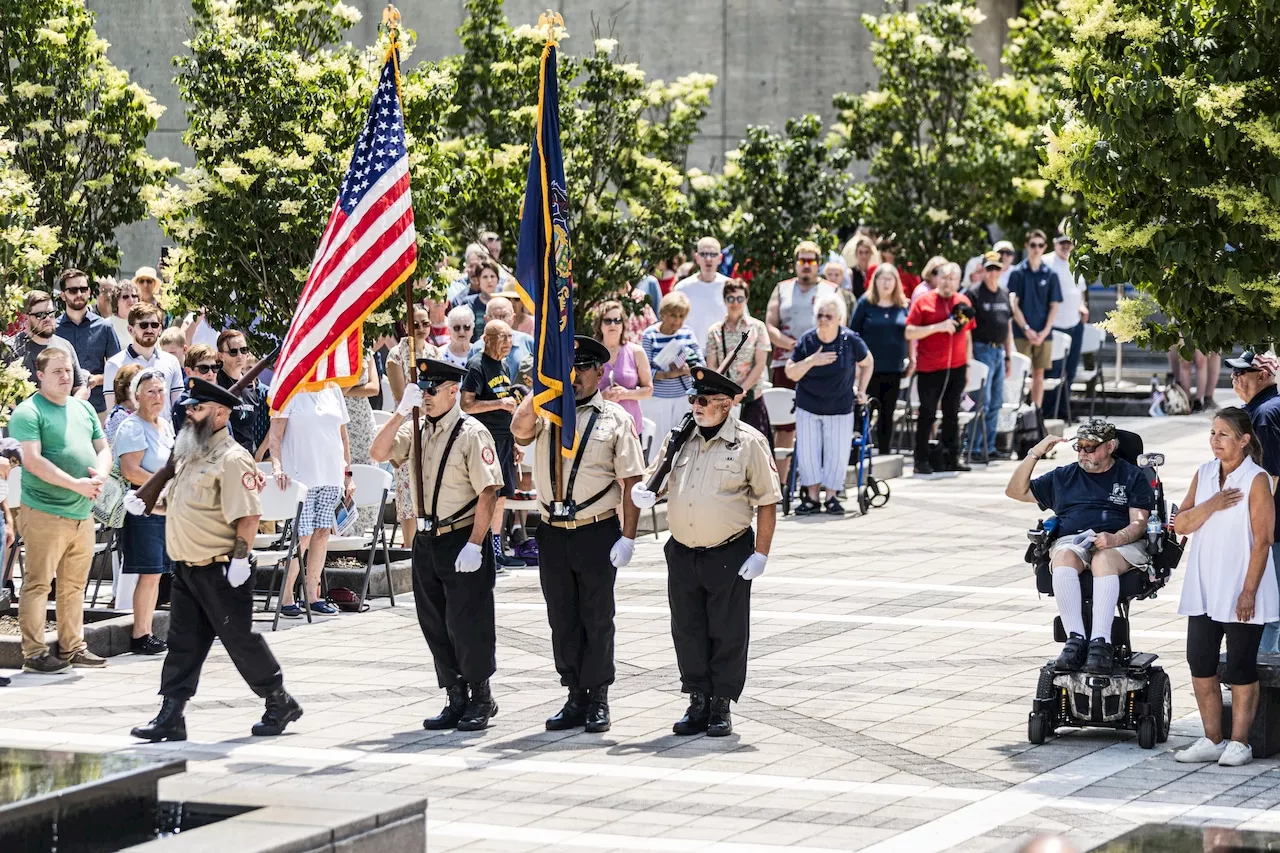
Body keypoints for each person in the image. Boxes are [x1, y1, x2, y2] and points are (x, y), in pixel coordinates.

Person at [129, 377, 302, 742]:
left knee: (240, 641)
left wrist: (240, 560)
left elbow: (248, 516)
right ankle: (171, 714)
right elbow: (184, 507)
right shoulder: (190, 453)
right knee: (183, 644)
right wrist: (146, 505)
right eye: (190, 407)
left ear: (221, 413)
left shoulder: (232, 459)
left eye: (198, 408)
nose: (189, 413)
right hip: (188, 569)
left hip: (222, 568)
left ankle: (278, 700)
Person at [631, 365, 780, 737]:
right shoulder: (681, 437)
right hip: (682, 551)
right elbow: (658, 477)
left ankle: (720, 705)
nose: (696, 406)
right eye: (694, 399)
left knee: (726, 631)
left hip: (726, 551)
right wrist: (646, 492)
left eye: (705, 401)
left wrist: (761, 554)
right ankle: (697, 698)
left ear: (726, 404)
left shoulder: (748, 442)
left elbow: (767, 501)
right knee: (688, 629)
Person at [512, 337, 646, 733]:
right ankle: (574, 694)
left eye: (583, 365)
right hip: (553, 530)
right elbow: (519, 430)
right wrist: (541, 386)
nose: (575, 373)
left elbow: (631, 480)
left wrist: (629, 537)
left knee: (597, 617)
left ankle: (599, 696)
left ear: (600, 371)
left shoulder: (615, 419)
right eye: (568, 364)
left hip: (595, 530)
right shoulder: (547, 412)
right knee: (563, 617)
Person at [369, 359, 503, 731]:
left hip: (462, 536)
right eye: (422, 389)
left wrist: (476, 543)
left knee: (468, 622)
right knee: (434, 622)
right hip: (427, 539)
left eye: (432, 390)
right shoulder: (416, 428)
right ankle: (455, 696)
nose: (425, 397)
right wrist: (399, 412)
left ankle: (481, 696)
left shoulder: (471, 433)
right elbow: (378, 453)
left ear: (452, 391)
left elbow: (489, 491)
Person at [1005, 420, 1156, 674]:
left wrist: (1115, 538)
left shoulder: (1131, 476)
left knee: (1102, 560)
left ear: (1110, 446)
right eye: (1080, 447)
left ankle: (1101, 642)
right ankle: (1075, 640)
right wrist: (1035, 453)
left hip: (1119, 541)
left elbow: (1139, 524)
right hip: (1074, 540)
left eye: (1091, 448)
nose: (1083, 453)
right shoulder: (1064, 476)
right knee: (1064, 556)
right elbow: (1014, 491)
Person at [1174, 408, 1278, 767]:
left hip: (1241, 587)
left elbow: (1263, 541)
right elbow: (1181, 524)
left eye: (1223, 434)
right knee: (1199, 661)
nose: (1214, 440)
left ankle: (1240, 742)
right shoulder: (1203, 473)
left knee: (1240, 666)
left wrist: (1248, 592)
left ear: (1244, 440)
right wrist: (1213, 503)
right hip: (1204, 586)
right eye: (1213, 433)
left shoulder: (1257, 479)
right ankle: (1211, 739)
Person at [9, 347, 110, 674]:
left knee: (73, 585)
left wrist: (102, 474)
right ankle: (34, 653)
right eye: (57, 372)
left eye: (68, 370)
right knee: (38, 584)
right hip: (44, 510)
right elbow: (34, 462)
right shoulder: (28, 412)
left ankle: (72, 646)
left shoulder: (83, 408)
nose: (66, 377)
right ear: (40, 375)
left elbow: (103, 447)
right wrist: (76, 484)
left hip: (83, 513)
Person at [268, 382, 352, 617]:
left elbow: (343, 436)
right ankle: (286, 598)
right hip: (300, 477)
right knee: (302, 536)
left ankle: (313, 596)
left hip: (331, 474)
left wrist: (348, 475)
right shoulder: (291, 389)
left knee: (323, 533)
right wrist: (277, 467)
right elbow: (275, 434)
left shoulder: (334, 389)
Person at [786, 292, 873, 514]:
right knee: (807, 453)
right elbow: (791, 372)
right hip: (808, 405)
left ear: (839, 319)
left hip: (840, 406)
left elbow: (868, 363)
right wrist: (811, 361)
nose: (823, 319)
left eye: (829, 316)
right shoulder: (807, 340)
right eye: (820, 315)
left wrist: (861, 391)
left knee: (837, 452)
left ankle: (832, 496)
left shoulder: (850, 340)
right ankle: (812, 497)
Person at [765, 241, 837, 484]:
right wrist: (794, 345)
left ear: (819, 263)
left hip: (822, 364)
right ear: (795, 263)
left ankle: (816, 483)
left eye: (812, 261)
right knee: (785, 425)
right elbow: (770, 325)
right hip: (786, 362)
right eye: (802, 261)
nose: (807, 266)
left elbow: (839, 325)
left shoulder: (831, 290)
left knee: (821, 424)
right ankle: (781, 486)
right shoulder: (782, 288)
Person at [115, 368, 175, 655]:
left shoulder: (165, 425)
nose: (157, 396)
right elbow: (130, 470)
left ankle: (149, 630)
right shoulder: (132, 426)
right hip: (143, 510)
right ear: (136, 394)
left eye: (161, 390)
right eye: (150, 391)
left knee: (160, 573)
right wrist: (162, 485)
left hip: (167, 510)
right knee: (149, 573)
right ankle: (141, 634)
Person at [1225, 349, 1280, 654]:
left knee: (1268, 604)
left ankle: (1263, 675)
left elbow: (1269, 476)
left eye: (1241, 373)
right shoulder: (1265, 409)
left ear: (1262, 375)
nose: (1234, 378)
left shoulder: (1264, 414)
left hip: (1272, 527)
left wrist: (1253, 525)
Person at [462, 320, 522, 570]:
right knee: (487, 493)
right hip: (484, 439)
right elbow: (466, 405)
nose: (508, 343)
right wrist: (498, 404)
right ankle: (482, 546)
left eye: (510, 337)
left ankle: (497, 549)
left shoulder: (505, 365)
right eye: (502, 337)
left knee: (502, 496)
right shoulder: (476, 366)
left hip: (505, 437)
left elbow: (508, 404)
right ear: (486, 339)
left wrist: (516, 441)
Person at [906, 261, 974, 475]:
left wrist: (969, 365)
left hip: (957, 367)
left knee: (952, 413)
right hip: (929, 368)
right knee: (927, 413)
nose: (948, 282)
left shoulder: (963, 301)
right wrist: (937, 327)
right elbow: (909, 332)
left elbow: (968, 334)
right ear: (937, 278)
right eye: (944, 277)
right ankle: (921, 458)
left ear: (958, 281)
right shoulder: (924, 301)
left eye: (953, 278)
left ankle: (951, 457)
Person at [851, 264, 912, 456]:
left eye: (890, 279)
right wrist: (855, 366)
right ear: (874, 281)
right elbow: (853, 334)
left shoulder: (903, 306)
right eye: (882, 279)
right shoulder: (865, 303)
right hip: (868, 369)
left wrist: (912, 358)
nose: (886, 283)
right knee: (865, 411)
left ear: (896, 283)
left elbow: (909, 334)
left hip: (893, 367)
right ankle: (861, 451)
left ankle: (885, 452)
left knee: (888, 411)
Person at [705, 279, 772, 443]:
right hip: (722, 398)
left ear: (746, 300)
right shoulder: (715, 330)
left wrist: (741, 391)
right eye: (731, 299)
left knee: (756, 448)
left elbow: (760, 364)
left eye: (740, 299)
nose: (736, 303)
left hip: (751, 398)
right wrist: (725, 392)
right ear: (725, 300)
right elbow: (712, 365)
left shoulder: (757, 327)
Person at [965, 251, 1015, 463]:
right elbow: (966, 328)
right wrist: (969, 359)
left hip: (998, 351)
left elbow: (1008, 326)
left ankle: (989, 446)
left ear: (1001, 269)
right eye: (989, 269)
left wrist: (1009, 356)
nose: (993, 272)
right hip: (981, 349)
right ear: (983, 270)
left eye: (996, 268)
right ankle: (974, 447)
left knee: (995, 402)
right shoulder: (973, 293)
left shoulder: (1004, 293)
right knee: (980, 402)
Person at [55, 269, 120, 420]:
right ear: (63, 295)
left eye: (83, 289)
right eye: (73, 290)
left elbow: (118, 371)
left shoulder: (104, 327)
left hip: (97, 408)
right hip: (60, 409)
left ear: (89, 292)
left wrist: (96, 379)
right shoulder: (53, 330)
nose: (79, 294)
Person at [1007, 230, 1062, 409]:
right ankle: (1018, 412)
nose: (1036, 249)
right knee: (1019, 374)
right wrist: (1027, 329)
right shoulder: (1017, 273)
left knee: (1039, 375)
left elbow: (1054, 305)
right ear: (1026, 246)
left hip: (1043, 333)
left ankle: (1036, 414)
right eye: (1033, 245)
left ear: (1045, 247)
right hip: (1022, 333)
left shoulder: (1051, 274)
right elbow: (1014, 304)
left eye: (1040, 245)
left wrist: (1045, 331)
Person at [640, 291, 702, 445]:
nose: (677, 321)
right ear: (663, 314)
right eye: (674, 315)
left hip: (683, 398)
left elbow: (701, 364)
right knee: (657, 446)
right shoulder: (649, 335)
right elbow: (645, 372)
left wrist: (689, 369)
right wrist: (671, 374)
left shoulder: (687, 333)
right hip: (657, 400)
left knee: (682, 444)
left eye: (682, 316)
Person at [7, 291, 89, 398]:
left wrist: (70, 408)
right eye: (40, 315)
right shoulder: (12, 349)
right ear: (26, 318)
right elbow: (8, 397)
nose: (47, 319)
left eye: (50, 313)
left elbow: (80, 386)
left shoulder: (65, 345)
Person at [103, 303, 184, 410]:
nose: (149, 330)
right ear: (131, 330)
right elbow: (113, 411)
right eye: (143, 325)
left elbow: (178, 408)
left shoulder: (171, 361)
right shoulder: (114, 364)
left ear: (160, 329)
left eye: (154, 325)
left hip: (165, 426)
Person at [1045, 234, 1089, 421]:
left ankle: (1064, 411)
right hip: (1054, 325)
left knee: (1070, 371)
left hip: (1074, 324)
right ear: (1055, 243)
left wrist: (1082, 306)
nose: (1065, 246)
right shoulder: (1045, 262)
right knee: (1052, 371)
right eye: (1061, 243)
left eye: (1068, 243)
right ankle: (1048, 412)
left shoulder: (1076, 262)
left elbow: (1080, 291)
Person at [595, 300, 653, 437]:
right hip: (599, 426)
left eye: (617, 320)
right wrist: (602, 396)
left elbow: (649, 390)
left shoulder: (636, 352)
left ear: (623, 324)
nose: (613, 324)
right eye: (608, 321)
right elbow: (581, 393)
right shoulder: (593, 354)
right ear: (600, 325)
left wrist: (626, 394)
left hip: (630, 428)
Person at [216, 330, 269, 458]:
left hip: (247, 458)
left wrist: (261, 452)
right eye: (233, 352)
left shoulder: (253, 385)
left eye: (244, 350)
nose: (240, 355)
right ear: (221, 356)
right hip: (222, 460)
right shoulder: (215, 382)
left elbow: (277, 419)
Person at [673, 236, 729, 350]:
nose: (708, 259)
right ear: (697, 257)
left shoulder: (730, 286)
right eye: (703, 254)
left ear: (720, 258)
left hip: (723, 353)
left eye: (713, 254)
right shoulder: (682, 288)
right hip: (691, 353)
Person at [468, 296, 535, 380]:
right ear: (486, 319)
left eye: (504, 316)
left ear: (513, 318)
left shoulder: (527, 342)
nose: (500, 320)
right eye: (495, 316)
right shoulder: (478, 347)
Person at [454, 258, 503, 342]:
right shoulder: (468, 303)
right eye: (485, 277)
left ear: (498, 279)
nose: (489, 280)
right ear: (478, 280)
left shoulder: (504, 303)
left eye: (492, 276)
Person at [106, 364, 143, 445]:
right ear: (123, 387)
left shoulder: (144, 412)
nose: (140, 388)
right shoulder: (118, 416)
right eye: (135, 384)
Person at [840, 233, 876, 299]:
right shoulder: (851, 273)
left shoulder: (875, 272)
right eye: (861, 252)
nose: (864, 256)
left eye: (866, 252)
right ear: (856, 253)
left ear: (871, 253)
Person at [440, 305, 475, 369]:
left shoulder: (479, 352)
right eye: (456, 328)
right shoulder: (440, 354)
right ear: (449, 330)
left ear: (472, 329)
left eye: (466, 327)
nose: (461, 331)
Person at [108, 279, 138, 348]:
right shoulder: (107, 325)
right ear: (116, 301)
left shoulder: (146, 323)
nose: (131, 300)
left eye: (134, 296)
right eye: (125, 297)